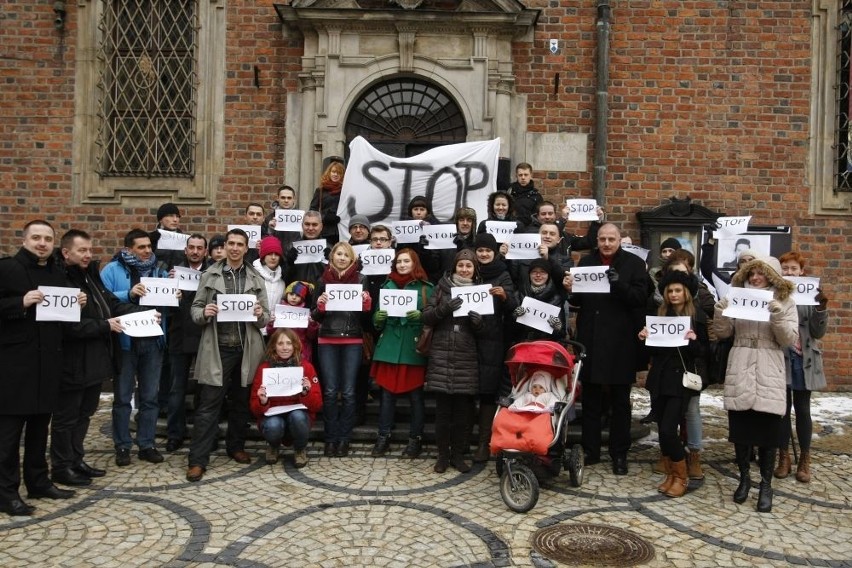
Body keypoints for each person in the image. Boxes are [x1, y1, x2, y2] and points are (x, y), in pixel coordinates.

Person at [0, 221, 83, 515]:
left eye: (47, 239)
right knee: (8, 438)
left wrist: (77, 303)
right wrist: (19, 302)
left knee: (39, 431)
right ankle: (6, 492)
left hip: (47, 366)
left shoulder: (56, 273)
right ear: (24, 240)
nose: (42, 243)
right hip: (14, 368)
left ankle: (38, 482)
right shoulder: (7, 268)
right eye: (36, 238)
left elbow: (62, 318)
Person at [51, 229, 143, 487]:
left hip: (94, 361)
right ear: (66, 252)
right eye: (82, 250)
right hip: (71, 362)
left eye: (90, 250)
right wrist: (105, 326)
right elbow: (66, 328)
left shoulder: (90, 276)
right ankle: (61, 467)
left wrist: (143, 314)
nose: (88, 255)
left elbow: (113, 304)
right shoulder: (60, 282)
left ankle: (76, 460)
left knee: (84, 414)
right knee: (66, 418)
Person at [713, 256, 798, 513]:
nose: (755, 278)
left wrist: (778, 315)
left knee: (768, 432)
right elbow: (723, 333)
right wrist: (721, 313)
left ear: (771, 276)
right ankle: (744, 479)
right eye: (752, 274)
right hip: (741, 360)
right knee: (741, 428)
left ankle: (766, 485)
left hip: (769, 363)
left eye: (761, 274)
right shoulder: (738, 297)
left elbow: (788, 339)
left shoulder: (785, 301)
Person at [564, 223, 650, 475]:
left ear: (619, 240)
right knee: (590, 399)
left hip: (621, 342)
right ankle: (591, 450)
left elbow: (640, 298)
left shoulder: (633, 264)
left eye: (611, 239)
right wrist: (571, 290)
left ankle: (618, 453)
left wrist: (618, 284)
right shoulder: (588, 262)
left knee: (620, 402)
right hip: (591, 338)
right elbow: (578, 301)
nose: (606, 243)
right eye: (602, 239)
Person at [186, 229, 271, 482]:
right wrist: (205, 312)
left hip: (246, 349)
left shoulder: (256, 278)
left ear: (246, 249)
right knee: (208, 405)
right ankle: (198, 460)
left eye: (239, 244)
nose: (234, 248)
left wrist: (258, 313)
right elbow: (195, 309)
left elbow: (266, 316)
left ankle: (236, 446)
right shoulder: (210, 274)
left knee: (241, 403)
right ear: (224, 247)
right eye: (230, 243)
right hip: (218, 348)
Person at [101, 228, 169, 467]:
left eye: (149, 246)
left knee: (150, 397)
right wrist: (127, 293)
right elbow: (102, 300)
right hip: (125, 343)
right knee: (122, 397)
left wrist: (175, 295)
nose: (147, 251)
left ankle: (147, 443)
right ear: (129, 249)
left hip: (152, 342)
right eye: (141, 247)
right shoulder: (111, 270)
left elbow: (167, 306)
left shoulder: (159, 271)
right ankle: (122, 445)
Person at [638, 271, 709, 498]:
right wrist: (644, 337)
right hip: (660, 378)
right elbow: (651, 352)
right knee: (663, 429)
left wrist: (693, 341)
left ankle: (681, 475)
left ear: (686, 293)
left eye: (678, 290)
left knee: (669, 430)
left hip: (681, 381)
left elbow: (704, 352)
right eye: (670, 291)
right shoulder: (659, 315)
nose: (674, 294)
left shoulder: (695, 317)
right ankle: (671, 474)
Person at [423, 249, 486, 474]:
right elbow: (426, 316)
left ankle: (458, 455)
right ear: (454, 267)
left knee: (463, 413)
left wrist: (479, 323)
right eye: (461, 265)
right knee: (442, 413)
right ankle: (442, 456)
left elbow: (486, 331)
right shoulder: (441, 288)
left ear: (474, 270)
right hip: (441, 354)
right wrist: (443, 309)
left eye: (469, 266)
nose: (465, 269)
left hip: (466, 357)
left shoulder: (480, 292)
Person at [370, 249, 434, 458]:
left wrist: (421, 316)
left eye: (406, 261)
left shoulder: (426, 289)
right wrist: (377, 318)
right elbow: (377, 324)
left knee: (416, 397)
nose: (402, 264)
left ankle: (415, 439)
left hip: (412, 349)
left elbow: (433, 318)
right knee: (386, 396)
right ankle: (383, 436)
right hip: (389, 348)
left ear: (414, 263)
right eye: (399, 262)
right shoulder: (386, 285)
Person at [312, 242, 372, 457]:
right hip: (327, 339)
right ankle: (330, 439)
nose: (342, 258)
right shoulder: (322, 280)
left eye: (346, 255)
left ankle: (344, 439)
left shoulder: (361, 280)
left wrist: (366, 304)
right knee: (329, 392)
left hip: (352, 340)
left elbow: (366, 318)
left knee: (347, 392)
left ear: (352, 259)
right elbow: (314, 316)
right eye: (338, 254)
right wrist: (319, 305)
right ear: (332, 257)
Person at [774, 251, 830, 483]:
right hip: (782, 357)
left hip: (804, 358)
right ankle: (784, 456)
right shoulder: (776, 293)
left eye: (793, 269)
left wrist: (820, 309)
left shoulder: (809, 293)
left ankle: (805, 458)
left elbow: (818, 333)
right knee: (783, 410)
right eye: (785, 268)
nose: (789, 272)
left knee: (803, 409)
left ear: (801, 271)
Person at [472, 233, 517, 462]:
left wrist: (505, 296)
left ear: (495, 251)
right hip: (469, 339)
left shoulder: (503, 274)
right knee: (467, 391)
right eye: (480, 250)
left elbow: (515, 307)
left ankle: (483, 442)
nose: (484, 254)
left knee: (488, 393)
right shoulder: (468, 270)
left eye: (487, 250)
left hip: (493, 340)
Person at [165, 234, 212, 452]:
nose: (195, 251)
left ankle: (203, 435)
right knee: (177, 389)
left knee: (205, 389)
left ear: (205, 251)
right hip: (179, 335)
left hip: (205, 336)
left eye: (199, 248)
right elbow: (164, 306)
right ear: (185, 250)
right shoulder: (174, 274)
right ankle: (175, 434)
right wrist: (170, 289)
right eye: (191, 247)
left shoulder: (212, 272)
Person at [249, 329, 322, 468]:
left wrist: (306, 393)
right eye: (280, 343)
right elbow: (254, 409)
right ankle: (273, 446)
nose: (284, 347)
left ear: (295, 345)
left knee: (298, 417)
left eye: (289, 343)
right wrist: (262, 401)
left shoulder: (306, 367)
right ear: (273, 346)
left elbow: (317, 405)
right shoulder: (264, 369)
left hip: (298, 416)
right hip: (272, 417)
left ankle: (300, 449)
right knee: (273, 425)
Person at [512, 258, 568, 343]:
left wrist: (557, 327)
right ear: (529, 274)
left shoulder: (556, 298)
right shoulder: (518, 295)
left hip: (546, 345)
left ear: (548, 275)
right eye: (534, 272)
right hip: (523, 344)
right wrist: (515, 317)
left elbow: (561, 333)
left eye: (543, 272)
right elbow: (509, 329)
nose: (538, 275)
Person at [272, 281, 318, 363]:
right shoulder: (279, 312)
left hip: (302, 351)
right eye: (291, 294)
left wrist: (312, 324)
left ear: (302, 298)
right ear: (286, 295)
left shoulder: (306, 314)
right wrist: (271, 323)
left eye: (297, 295)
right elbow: (271, 332)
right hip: (282, 350)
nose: (294, 297)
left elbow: (311, 336)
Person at [253, 236, 286, 338]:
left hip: (274, 332)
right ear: (263, 256)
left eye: (276, 254)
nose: (273, 257)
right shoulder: (253, 276)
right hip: (254, 331)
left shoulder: (282, 282)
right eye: (269, 253)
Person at [285, 211, 327, 286]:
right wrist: (289, 264)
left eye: (314, 225)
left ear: (321, 227)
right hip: (297, 294)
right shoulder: (291, 248)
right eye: (307, 224)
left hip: (321, 294)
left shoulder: (330, 249)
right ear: (302, 226)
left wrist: (331, 261)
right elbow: (284, 278)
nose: (310, 228)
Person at [309, 160, 345, 245]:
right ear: (329, 173)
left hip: (341, 231)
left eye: (338, 173)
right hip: (325, 231)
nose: (335, 175)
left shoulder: (345, 191)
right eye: (333, 172)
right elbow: (312, 210)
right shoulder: (320, 191)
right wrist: (324, 217)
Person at [261, 185, 301, 253]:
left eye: (289, 198)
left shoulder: (301, 218)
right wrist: (270, 229)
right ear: (278, 198)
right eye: (283, 197)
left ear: (294, 199)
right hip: (275, 256)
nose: (286, 200)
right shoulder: (269, 219)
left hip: (294, 257)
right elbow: (264, 240)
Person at [147, 202, 186, 271]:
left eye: (177, 216)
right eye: (171, 216)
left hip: (179, 278)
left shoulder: (185, 239)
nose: (175, 220)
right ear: (161, 220)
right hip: (157, 278)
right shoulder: (151, 238)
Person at [507, 162, 542, 227]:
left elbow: (539, 218)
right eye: (520, 175)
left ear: (531, 175)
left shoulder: (537, 197)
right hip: (509, 229)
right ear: (516, 176)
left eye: (526, 175)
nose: (523, 178)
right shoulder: (509, 193)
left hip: (528, 232)